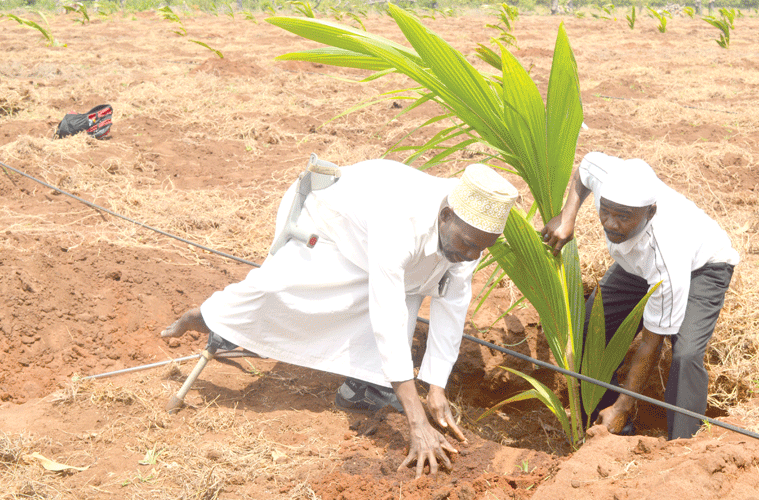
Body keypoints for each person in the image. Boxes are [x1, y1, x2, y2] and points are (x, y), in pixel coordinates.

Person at [161, 159, 518, 476]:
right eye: (467, 244)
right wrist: (417, 422)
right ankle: (210, 317)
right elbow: (386, 316)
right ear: (444, 216)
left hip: (380, 246)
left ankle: (363, 387)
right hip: (327, 220)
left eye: (480, 248)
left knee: (407, 297)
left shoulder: (469, 235)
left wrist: (436, 388)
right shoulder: (402, 219)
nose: (471, 254)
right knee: (279, 291)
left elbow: (452, 311)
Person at [541, 151, 739, 440]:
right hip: (635, 265)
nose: (610, 223)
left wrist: (625, 405)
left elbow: (650, 343)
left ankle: (682, 445)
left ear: (650, 212)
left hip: (702, 267)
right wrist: (567, 216)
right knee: (590, 332)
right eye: (605, 211)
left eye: (623, 217)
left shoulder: (666, 253)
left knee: (685, 355)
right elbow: (584, 169)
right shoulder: (608, 178)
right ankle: (609, 431)